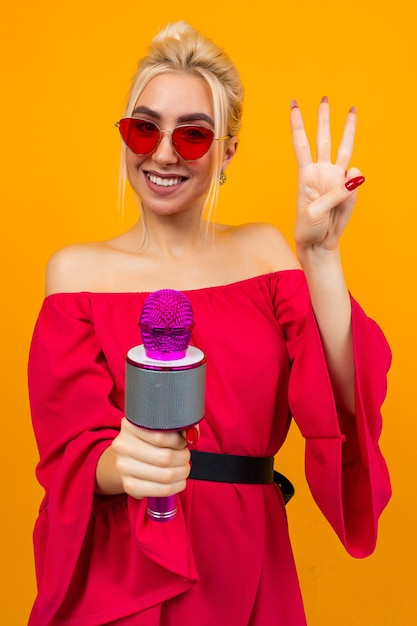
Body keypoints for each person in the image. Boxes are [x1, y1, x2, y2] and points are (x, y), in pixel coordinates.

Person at [28, 21, 392, 626]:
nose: (163, 153)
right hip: (128, 565)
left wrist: (321, 258)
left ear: (226, 151)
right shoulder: (75, 274)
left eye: (193, 136)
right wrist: (128, 464)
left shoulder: (265, 255)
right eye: (145, 128)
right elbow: (69, 453)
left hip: (250, 557)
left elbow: (343, 402)